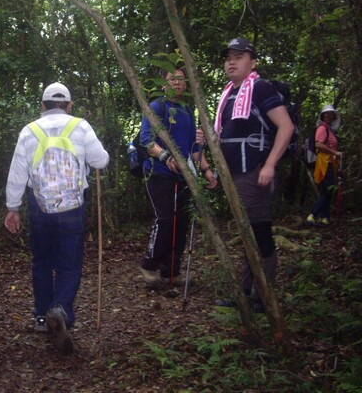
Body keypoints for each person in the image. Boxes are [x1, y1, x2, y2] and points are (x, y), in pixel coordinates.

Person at [4, 82, 109, 354]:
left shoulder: (29, 131)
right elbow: (100, 161)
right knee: (69, 263)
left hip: (40, 206)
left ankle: (41, 316)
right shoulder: (81, 127)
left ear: (42, 105)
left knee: (41, 261)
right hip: (72, 207)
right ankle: (61, 308)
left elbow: (17, 173)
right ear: (69, 105)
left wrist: (12, 208)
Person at [212, 38, 295, 312]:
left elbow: (286, 127)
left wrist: (270, 164)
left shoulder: (259, 89)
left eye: (239, 56)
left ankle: (263, 297)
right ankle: (248, 293)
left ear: (253, 62)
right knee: (247, 234)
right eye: (228, 58)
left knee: (259, 233)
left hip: (255, 172)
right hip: (234, 175)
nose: (231, 62)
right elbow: (226, 135)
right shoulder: (228, 95)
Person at [138, 69, 218, 289]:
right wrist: (165, 156)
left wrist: (207, 170)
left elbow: (193, 148)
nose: (177, 82)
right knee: (164, 219)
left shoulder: (186, 110)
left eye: (181, 78)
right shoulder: (157, 107)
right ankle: (149, 266)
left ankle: (171, 272)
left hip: (184, 175)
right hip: (158, 172)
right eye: (172, 78)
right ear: (164, 83)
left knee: (181, 223)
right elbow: (146, 140)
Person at [306, 105, 343, 226]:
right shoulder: (322, 128)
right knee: (327, 190)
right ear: (323, 116)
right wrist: (335, 152)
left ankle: (325, 218)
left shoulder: (330, 129)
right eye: (327, 114)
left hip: (331, 162)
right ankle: (312, 215)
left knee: (327, 190)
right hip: (325, 163)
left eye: (331, 114)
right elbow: (319, 145)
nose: (329, 116)